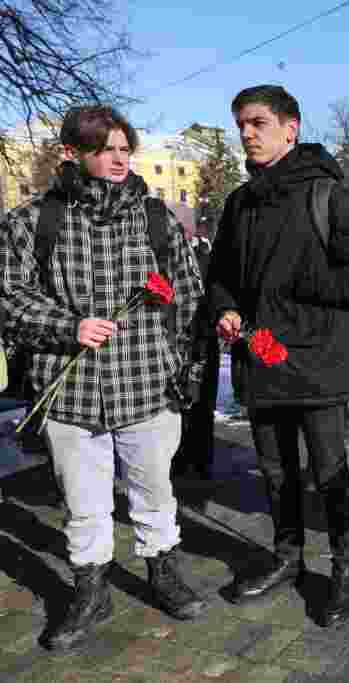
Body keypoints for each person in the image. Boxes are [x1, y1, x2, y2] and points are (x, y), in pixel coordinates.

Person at [0, 106, 208, 650]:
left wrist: (182, 362)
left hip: (146, 386)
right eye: (105, 149)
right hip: (69, 391)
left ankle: (163, 571)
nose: (119, 158)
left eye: (125, 148)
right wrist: (67, 326)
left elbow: (187, 296)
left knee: (155, 491)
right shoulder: (32, 221)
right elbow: (8, 296)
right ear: (73, 152)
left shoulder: (156, 217)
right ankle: (91, 589)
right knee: (84, 501)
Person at [207, 85, 349, 629]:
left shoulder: (328, 195)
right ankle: (287, 557)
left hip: (314, 362)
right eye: (241, 122)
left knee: (329, 470)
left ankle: (344, 567)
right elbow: (219, 274)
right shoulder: (240, 202)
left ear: (290, 128)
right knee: (274, 469)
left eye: (258, 122)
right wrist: (225, 307)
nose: (247, 132)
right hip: (260, 356)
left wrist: (301, 279)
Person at [172, 223, 219, 479]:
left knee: (201, 403)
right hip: (184, 342)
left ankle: (200, 459)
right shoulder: (172, 261)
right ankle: (187, 459)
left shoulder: (207, 260)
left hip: (201, 341)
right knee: (181, 403)